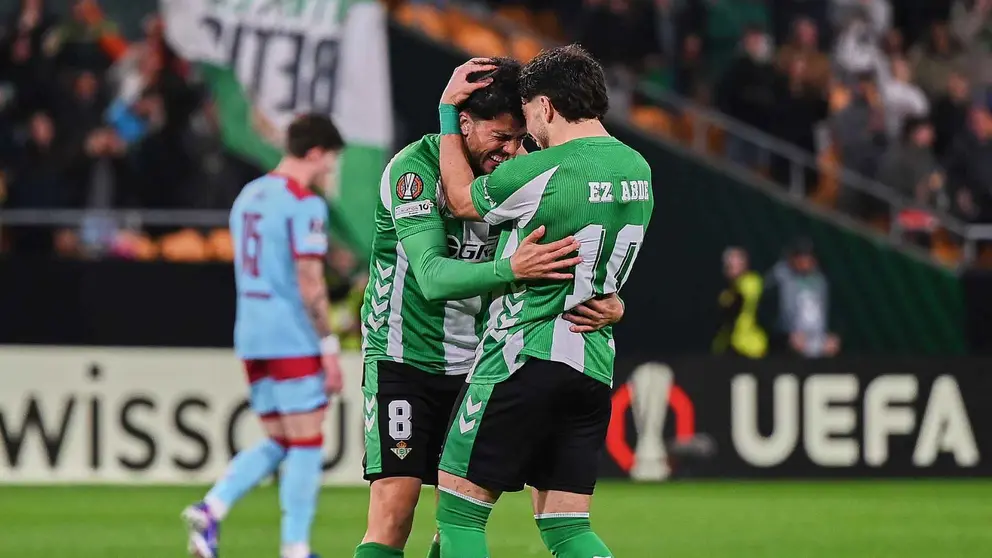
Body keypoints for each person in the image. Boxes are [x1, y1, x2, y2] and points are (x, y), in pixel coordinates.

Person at [352, 57, 625, 558]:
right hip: (403, 360)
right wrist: (510, 269)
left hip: (481, 362)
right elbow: (433, 278)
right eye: (499, 137)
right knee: (395, 510)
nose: (510, 150)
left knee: (455, 518)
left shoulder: (521, 176)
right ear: (464, 123)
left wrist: (612, 303)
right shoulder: (413, 170)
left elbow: (579, 256)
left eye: (520, 138)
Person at [432, 46, 654, 558]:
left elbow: (463, 201)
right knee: (568, 528)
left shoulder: (547, 170)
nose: (527, 131)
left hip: (523, 354)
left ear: (547, 107)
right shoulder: (638, 169)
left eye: (528, 112)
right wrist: (614, 303)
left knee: (460, 512)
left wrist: (449, 114)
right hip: (593, 362)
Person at [182, 114, 346, 558]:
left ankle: (211, 507)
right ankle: (296, 548)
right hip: (290, 333)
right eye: (330, 159)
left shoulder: (248, 196)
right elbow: (310, 280)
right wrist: (329, 348)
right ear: (315, 153)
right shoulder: (305, 203)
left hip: (251, 333)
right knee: (308, 440)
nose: (331, 169)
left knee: (279, 440)